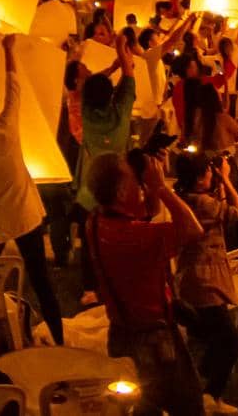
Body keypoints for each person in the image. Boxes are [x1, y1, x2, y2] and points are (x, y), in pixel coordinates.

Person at [0, 35, 64, 345]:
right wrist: (9, 50)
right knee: (40, 279)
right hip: (23, 215)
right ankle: (58, 338)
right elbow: (14, 85)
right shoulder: (6, 129)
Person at [86, 150, 206, 416]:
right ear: (119, 193)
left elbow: (147, 212)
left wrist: (150, 189)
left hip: (121, 335)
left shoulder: (95, 222)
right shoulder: (136, 237)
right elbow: (193, 230)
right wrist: (161, 187)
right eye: (133, 181)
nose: (140, 186)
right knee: (189, 406)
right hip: (154, 341)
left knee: (141, 410)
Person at [172, 150, 238, 415]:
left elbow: (222, 215)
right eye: (208, 172)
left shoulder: (185, 199)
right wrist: (226, 179)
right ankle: (209, 394)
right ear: (201, 178)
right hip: (206, 280)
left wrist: (217, 183)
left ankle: (201, 382)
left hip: (194, 277)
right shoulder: (204, 203)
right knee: (232, 339)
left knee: (214, 335)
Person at [74, 39, 138, 307]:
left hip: (89, 193)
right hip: (117, 192)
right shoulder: (121, 114)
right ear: (111, 94)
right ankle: (118, 283)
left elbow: (90, 88)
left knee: (89, 244)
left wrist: (111, 65)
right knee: (118, 241)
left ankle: (90, 288)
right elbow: (130, 75)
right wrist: (122, 49)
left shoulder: (86, 114)